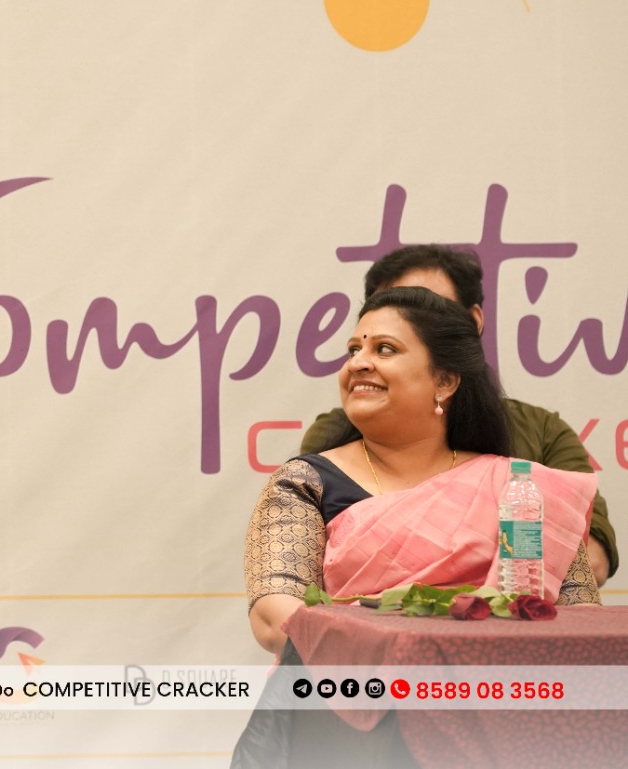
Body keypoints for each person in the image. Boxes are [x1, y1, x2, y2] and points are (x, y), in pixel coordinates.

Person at [246, 286, 600, 659]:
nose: (357, 363)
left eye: (384, 349)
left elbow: (581, 618)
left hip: (508, 685)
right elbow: (275, 616)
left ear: (444, 381)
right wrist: (408, 658)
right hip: (359, 684)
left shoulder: (519, 489)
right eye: (353, 350)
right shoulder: (305, 483)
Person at [301, 244, 617, 585]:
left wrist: (480, 603)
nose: (407, 315)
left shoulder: (541, 432)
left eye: (429, 306)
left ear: (472, 322)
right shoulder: (329, 446)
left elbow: (589, 563)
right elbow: (298, 581)